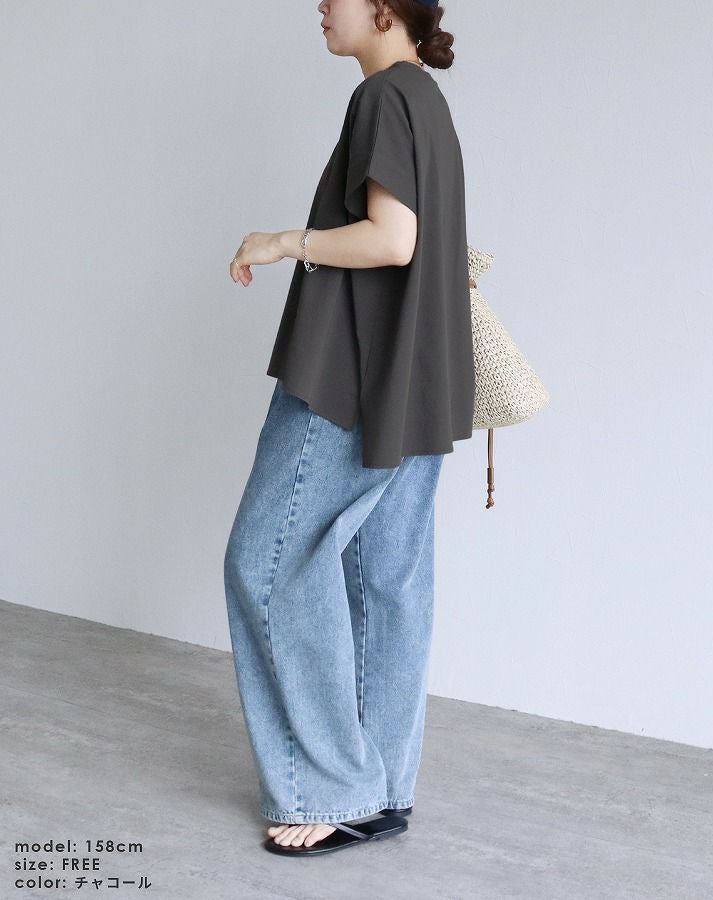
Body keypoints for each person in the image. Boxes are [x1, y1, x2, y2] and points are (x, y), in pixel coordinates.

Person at [224, 0, 475, 857]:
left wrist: (281, 241)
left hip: (351, 372)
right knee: (386, 580)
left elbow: (391, 240)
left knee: (270, 560)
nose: (321, 6)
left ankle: (330, 788)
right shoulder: (426, 98)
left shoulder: (382, 96)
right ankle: (379, 790)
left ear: (384, 7)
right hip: (416, 376)